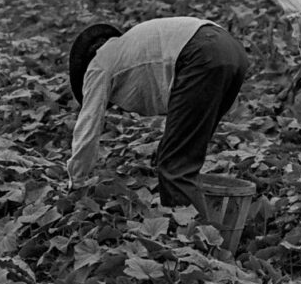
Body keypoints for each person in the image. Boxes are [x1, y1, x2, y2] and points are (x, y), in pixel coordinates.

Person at [66, 18, 248, 221]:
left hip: (200, 55)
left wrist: (78, 180)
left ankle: (195, 242)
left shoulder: (98, 65)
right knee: (181, 158)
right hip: (231, 50)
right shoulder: (129, 47)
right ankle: (209, 226)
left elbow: (89, 124)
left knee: (175, 168)